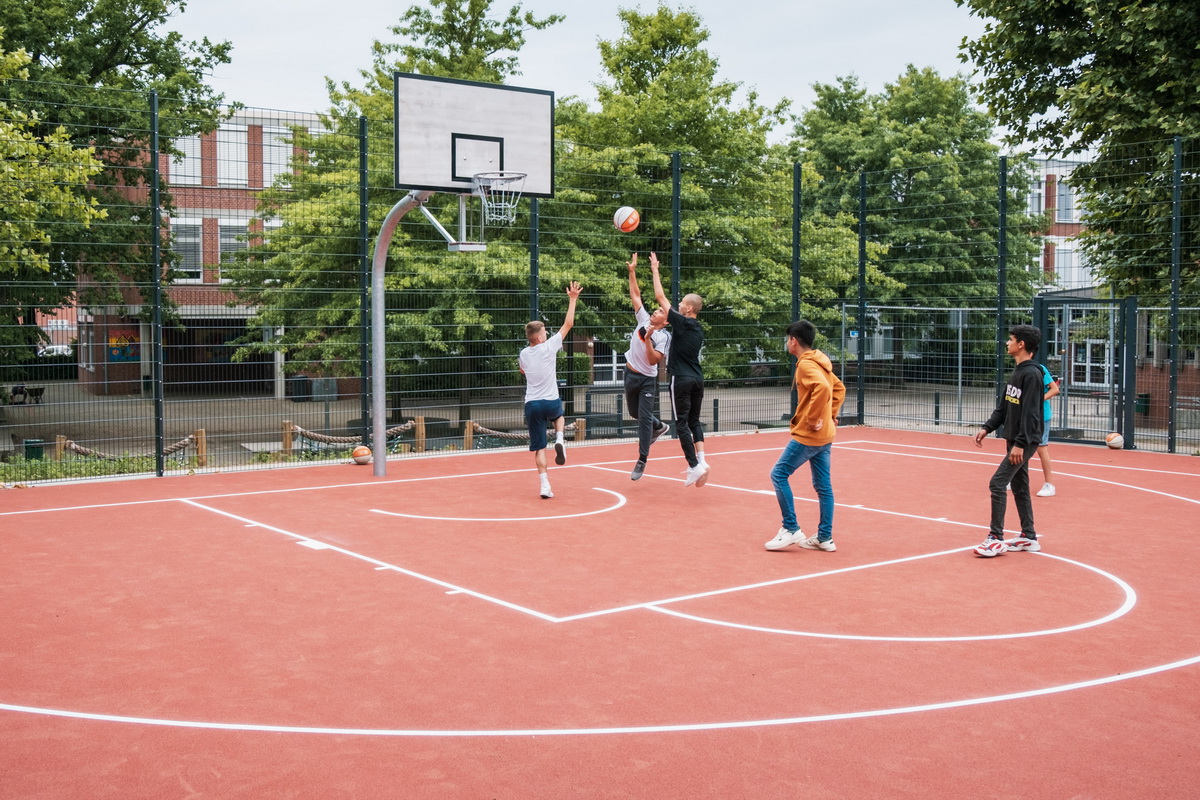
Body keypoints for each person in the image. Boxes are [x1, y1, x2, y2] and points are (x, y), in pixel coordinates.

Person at [765, 320, 846, 552]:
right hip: (826, 435)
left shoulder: (806, 366)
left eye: (787, 339)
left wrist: (813, 419)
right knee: (823, 486)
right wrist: (830, 414)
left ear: (793, 340)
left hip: (810, 435)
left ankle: (790, 528)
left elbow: (822, 388)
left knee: (778, 474)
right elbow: (839, 388)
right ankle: (824, 537)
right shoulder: (820, 361)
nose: (786, 343)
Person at [972, 324, 1045, 557]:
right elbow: (1004, 406)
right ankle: (1028, 536)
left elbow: (1032, 414)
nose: (1007, 343)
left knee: (997, 483)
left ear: (1021, 344)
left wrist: (1021, 444)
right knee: (1020, 486)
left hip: (1023, 441)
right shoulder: (1018, 371)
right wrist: (987, 427)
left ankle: (995, 538)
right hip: (1014, 439)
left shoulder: (1032, 374)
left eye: (1011, 339)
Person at [648, 252, 708, 487]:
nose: (679, 303)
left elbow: (659, 296)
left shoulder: (683, 321)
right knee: (694, 421)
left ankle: (693, 466)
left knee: (680, 423)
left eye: (682, 302)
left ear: (690, 308)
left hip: (681, 379)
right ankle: (702, 461)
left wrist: (655, 269)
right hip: (697, 379)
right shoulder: (698, 328)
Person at [519, 281, 582, 499]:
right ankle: (560, 438)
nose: (547, 332)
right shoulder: (549, 347)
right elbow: (569, 324)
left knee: (538, 448)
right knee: (559, 416)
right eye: (544, 330)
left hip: (532, 404)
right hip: (550, 400)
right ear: (538, 337)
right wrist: (572, 299)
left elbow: (523, 370)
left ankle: (545, 485)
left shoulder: (524, 354)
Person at [624, 254, 672, 481]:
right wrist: (632, 271)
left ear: (666, 321)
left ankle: (642, 460)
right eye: (656, 310)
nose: (655, 311)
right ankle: (659, 426)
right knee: (635, 413)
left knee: (643, 418)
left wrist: (648, 340)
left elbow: (654, 361)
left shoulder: (662, 336)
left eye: (660, 312)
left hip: (646, 379)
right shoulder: (643, 320)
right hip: (630, 374)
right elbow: (635, 295)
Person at [1035, 363, 1060, 496]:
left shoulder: (1040, 369)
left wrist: (1037, 401)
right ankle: (1014, 479)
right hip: (1025, 416)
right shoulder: (1019, 368)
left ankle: (1049, 484)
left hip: (1041, 416)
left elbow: (1054, 389)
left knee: (1041, 448)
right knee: (1019, 446)